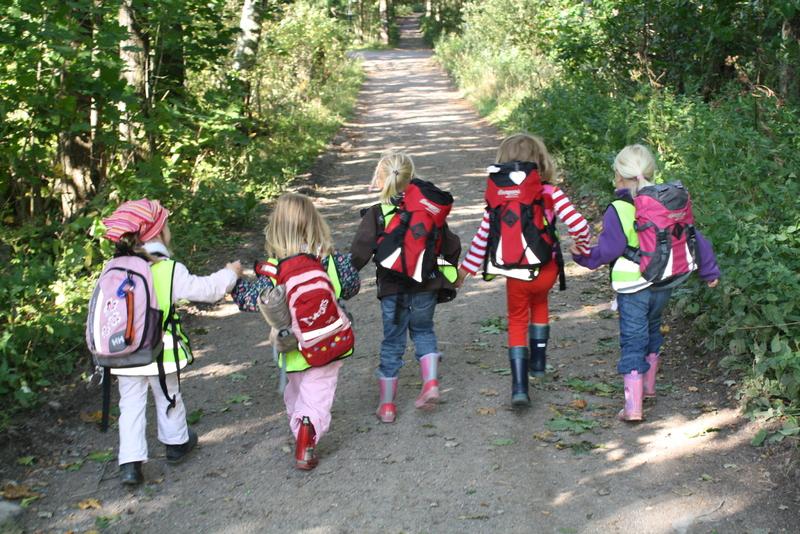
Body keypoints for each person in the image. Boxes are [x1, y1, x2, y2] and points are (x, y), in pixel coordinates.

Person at [571, 144, 720, 421]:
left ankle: (633, 406)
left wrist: (584, 258)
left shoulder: (618, 208)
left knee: (632, 338)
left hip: (633, 287)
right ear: (652, 171)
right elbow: (694, 237)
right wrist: (709, 271)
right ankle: (649, 386)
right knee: (652, 328)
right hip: (664, 282)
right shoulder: (668, 201)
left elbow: (610, 250)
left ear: (618, 175)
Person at [101, 199, 242, 485]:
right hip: (160, 351)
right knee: (168, 394)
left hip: (122, 351)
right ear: (157, 232)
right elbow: (207, 290)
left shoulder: (112, 268)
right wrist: (231, 273)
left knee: (130, 405)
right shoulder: (167, 268)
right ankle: (176, 443)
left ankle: (130, 463)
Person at [459, 133, 591, 407]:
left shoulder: (497, 197)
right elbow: (580, 226)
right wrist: (581, 246)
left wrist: (464, 271)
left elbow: (483, 238)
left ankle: (519, 387)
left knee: (517, 319)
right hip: (546, 269)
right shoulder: (551, 193)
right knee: (540, 302)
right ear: (541, 163)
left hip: (515, 272)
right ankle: (539, 364)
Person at [231, 193, 357, 470]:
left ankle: (300, 425)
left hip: (291, 347)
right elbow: (350, 286)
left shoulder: (273, 269)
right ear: (315, 225)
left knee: (297, 390)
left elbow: (251, 300)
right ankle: (308, 431)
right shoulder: (327, 260)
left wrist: (235, 283)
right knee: (318, 391)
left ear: (275, 229)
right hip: (327, 342)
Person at [350, 151, 462, 423]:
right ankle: (431, 383)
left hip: (393, 291)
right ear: (411, 178)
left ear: (380, 179)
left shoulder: (378, 214)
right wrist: (453, 270)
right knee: (424, 330)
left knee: (392, 342)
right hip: (426, 285)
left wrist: (344, 277)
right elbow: (451, 245)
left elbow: (359, 253)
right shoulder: (428, 211)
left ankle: (387, 406)